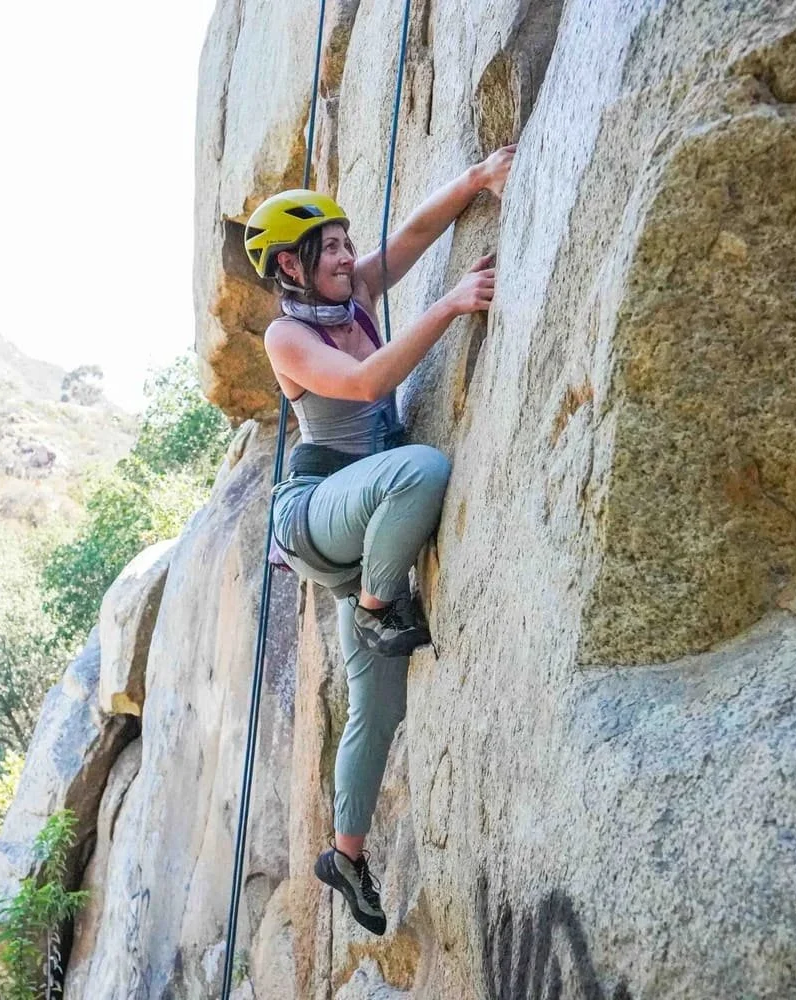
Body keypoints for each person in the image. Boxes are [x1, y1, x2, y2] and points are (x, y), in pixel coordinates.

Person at [244, 145, 515, 936]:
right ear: (289, 265)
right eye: (327, 247)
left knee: (379, 703)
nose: (344, 255)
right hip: (317, 511)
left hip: (359, 527)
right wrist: (451, 305)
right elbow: (365, 384)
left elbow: (416, 233)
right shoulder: (287, 337)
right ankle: (373, 608)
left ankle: (346, 855)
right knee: (422, 469)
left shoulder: (355, 292)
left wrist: (476, 179)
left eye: (343, 242)